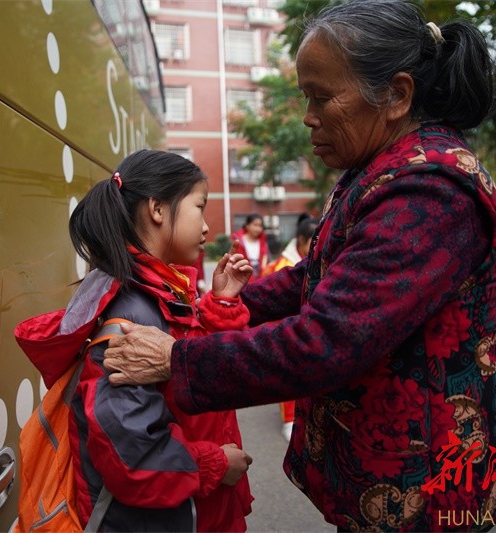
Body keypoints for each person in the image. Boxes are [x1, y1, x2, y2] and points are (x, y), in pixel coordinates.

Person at [103, 1, 496, 530]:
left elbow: (329, 338)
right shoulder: (380, 168)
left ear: (396, 95)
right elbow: (318, 277)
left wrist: (179, 358)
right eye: (305, 96)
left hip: (423, 491)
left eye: (322, 97)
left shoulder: (430, 191)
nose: (307, 116)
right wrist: (208, 309)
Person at [35, 149, 256, 531]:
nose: (206, 227)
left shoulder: (159, 292)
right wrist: (215, 465)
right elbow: (133, 456)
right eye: (200, 207)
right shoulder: (132, 318)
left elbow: (188, 362)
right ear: (157, 209)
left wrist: (219, 303)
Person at [261, 213, 319, 442]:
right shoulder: (286, 266)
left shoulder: (305, 261)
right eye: (312, 243)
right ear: (302, 240)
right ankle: (288, 420)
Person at [232, 213, 269, 278]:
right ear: (247, 226)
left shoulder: (264, 243)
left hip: (261, 279)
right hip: (242, 277)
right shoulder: (238, 241)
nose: (258, 228)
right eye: (255, 225)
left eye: (260, 226)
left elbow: (267, 260)